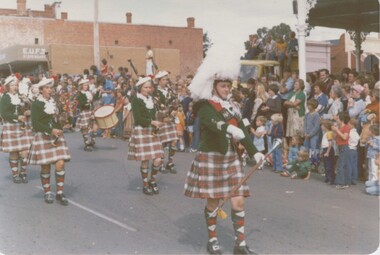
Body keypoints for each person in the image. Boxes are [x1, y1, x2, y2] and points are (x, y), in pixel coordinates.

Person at [184, 75, 262, 255]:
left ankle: (240, 245)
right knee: (214, 201)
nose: (227, 89)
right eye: (223, 86)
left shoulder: (233, 106)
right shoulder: (205, 106)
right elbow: (213, 123)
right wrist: (228, 128)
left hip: (232, 157)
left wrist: (254, 152)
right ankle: (212, 240)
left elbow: (242, 129)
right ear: (214, 87)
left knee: (238, 201)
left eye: (228, 86)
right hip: (212, 156)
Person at [28, 78, 71, 205]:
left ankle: (59, 193)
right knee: (46, 166)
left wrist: (62, 124)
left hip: (56, 136)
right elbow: (35, 124)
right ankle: (47, 192)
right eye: (46, 88)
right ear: (41, 90)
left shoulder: (54, 101)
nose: (49, 90)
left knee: (60, 163)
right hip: (43, 136)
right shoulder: (36, 104)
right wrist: (51, 130)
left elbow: (56, 118)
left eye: (50, 88)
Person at [127, 77, 164, 195]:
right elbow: (138, 118)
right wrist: (152, 122)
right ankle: (145, 184)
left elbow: (155, 114)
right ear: (140, 88)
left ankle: (152, 180)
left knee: (158, 159)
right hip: (142, 130)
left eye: (149, 87)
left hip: (152, 131)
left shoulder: (152, 99)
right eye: (145, 87)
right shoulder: (136, 100)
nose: (148, 89)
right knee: (145, 160)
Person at [0, 76, 33, 184]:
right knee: (14, 151)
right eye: (13, 85)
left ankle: (23, 172)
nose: (15, 87)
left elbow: (28, 107)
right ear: (7, 87)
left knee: (25, 151)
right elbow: (4, 114)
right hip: (11, 126)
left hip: (23, 126)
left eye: (16, 85)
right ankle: (15, 174)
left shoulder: (21, 96)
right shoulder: (5, 98)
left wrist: (28, 107)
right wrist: (17, 117)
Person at [154, 71, 179, 173]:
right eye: (164, 80)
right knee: (163, 143)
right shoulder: (155, 92)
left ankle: (170, 163)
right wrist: (165, 115)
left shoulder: (170, 90)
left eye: (167, 79)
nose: (166, 81)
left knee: (174, 141)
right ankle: (160, 164)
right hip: (162, 120)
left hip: (171, 120)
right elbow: (156, 107)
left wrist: (175, 109)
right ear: (159, 81)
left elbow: (176, 102)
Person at [75, 79, 96, 151]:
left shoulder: (89, 93)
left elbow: (92, 102)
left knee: (94, 128)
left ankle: (92, 142)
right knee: (85, 128)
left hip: (90, 111)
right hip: (84, 112)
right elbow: (81, 103)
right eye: (84, 85)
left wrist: (93, 111)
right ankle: (87, 144)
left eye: (87, 85)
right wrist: (87, 101)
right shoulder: (80, 94)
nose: (86, 86)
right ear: (81, 86)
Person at [331, 111, 351, 189]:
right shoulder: (339, 127)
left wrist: (337, 130)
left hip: (344, 147)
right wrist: (334, 131)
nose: (337, 119)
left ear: (342, 119)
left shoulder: (346, 127)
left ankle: (341, 183)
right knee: (343, 165)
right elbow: (335, 137)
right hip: (340, 147)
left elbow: (344, 137)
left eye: (338, 118)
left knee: (341, 165)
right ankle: (345, 182)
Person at [303, 99, 321, 167]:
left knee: (313, 148)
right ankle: (306, 161)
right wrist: (305, 133)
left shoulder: (316, 115)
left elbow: (317, 127)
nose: (308, 106)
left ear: (313, 106)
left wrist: (310, 134)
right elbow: (305, 124)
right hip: (307, 135)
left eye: (309, 105)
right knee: (306, 148)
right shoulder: (307, 114)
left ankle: (314, 162)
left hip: (314, 136)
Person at [320, 120, 335, 185]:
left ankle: (331, 179)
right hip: (325, 149)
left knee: (329, 165)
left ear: (325, 126)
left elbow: (330, 143)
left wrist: (327, 152)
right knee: (326, 164)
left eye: (322, 125)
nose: (321, 126)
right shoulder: (326, 133)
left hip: (328, 149)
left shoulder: (329, 133)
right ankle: (327, 177)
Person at [347, 118, 360, 185]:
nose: (348, 125)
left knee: (349, 165)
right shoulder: (356, 133)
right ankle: (354, 179)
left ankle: (349, 179)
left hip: (349, 149)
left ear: (352, 125)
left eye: (349, 124)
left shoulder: (350, 133)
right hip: (355, 150)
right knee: (354, 165)